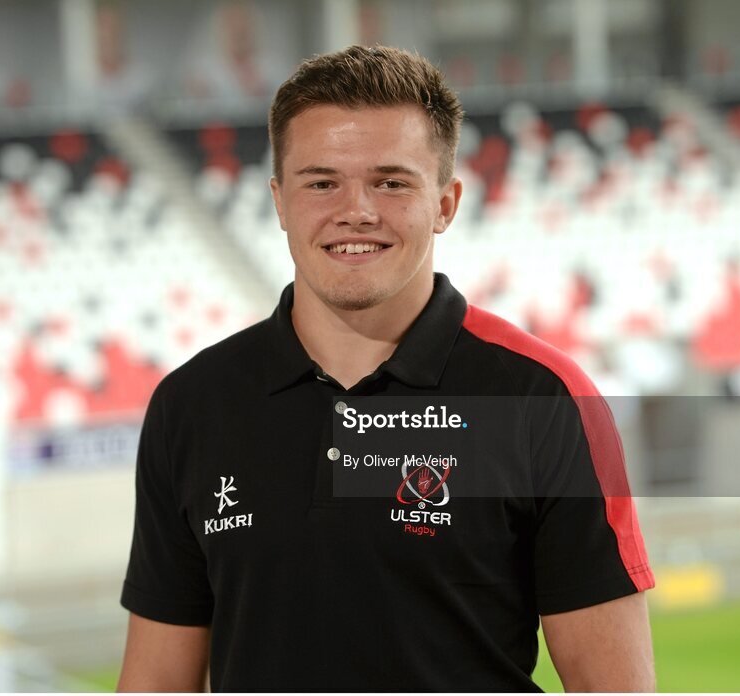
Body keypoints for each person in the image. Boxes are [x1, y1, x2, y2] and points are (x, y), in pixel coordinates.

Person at [117, 45, 655, 692]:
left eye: (392, 182)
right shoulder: (193, 403)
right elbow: (155, 683)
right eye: (321, 182)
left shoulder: (543, 398)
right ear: (280, 201)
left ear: (446, 203)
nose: (357, 211)